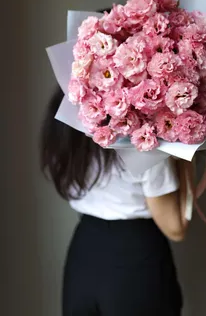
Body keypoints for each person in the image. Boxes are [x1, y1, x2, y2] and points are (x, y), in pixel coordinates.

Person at [40, 83, 194, 316]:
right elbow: (175, 228)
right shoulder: (144, 138)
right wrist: (182, 155)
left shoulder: (65, 120)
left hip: (84, 253)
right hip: (135, 257)